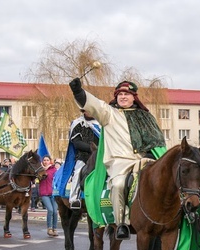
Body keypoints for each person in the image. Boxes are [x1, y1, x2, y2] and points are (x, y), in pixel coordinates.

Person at [68, 78, 165, 240]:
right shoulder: (109, 114)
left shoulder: (146, 117)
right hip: (119, 163)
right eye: (120, 94)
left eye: (127, 94)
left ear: (134, 97)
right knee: (119, 184)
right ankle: (122, 224)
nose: (123, 97)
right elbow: (94, 104)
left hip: (144, 160)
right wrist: (78, 92)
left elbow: (157, 141)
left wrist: (149, 156)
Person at [61, 109, 102, 209]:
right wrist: (90, 148)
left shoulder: (101, 124)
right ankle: (75, 198)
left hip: (101, 155)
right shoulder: (78, 123)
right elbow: (76, 142)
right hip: (84, 155)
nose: (89, 112)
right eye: (86, 110)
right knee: (78, 172)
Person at [39, 155, 59, 238]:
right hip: (44, 193)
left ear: (50, 161)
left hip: (53, 193)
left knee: (55, 211)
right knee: (50, 210)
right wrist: (44, 169)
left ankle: (55, 229)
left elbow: (57, 179)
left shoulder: (54, 170)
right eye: (44, 160)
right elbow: (38, 178)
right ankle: (49, 228)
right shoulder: (40, 170)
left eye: (47, 160)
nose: (46, 161)